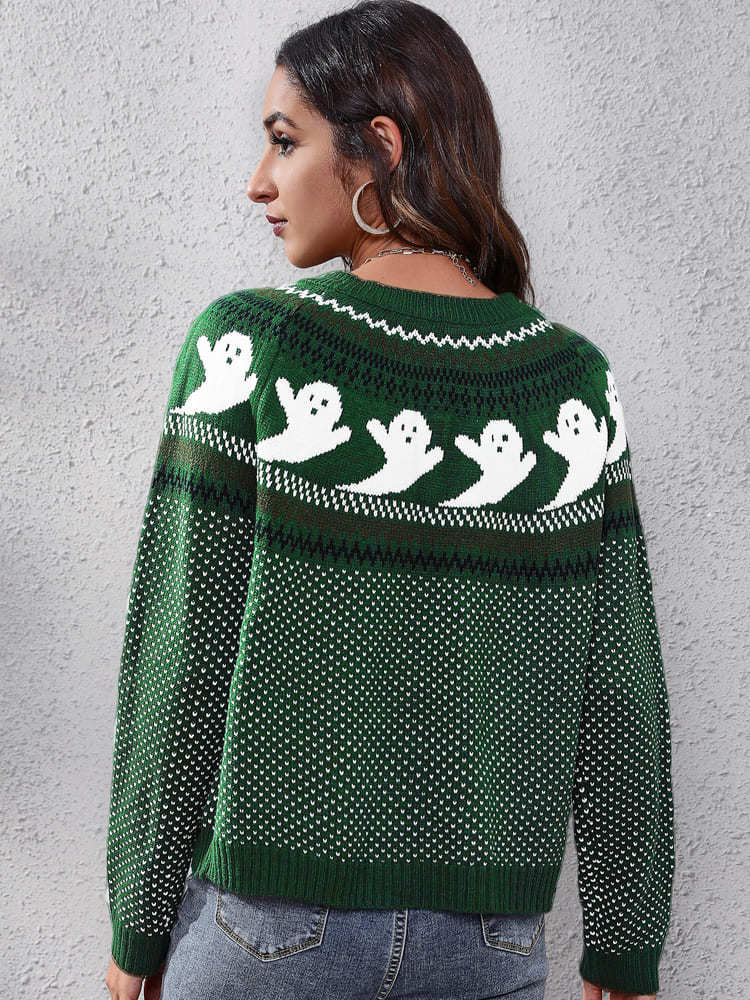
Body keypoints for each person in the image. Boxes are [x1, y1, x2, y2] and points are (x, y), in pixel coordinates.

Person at [104, 2, 675, 999]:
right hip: (489, 947)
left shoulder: (251, 347)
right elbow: (618, 687)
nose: (259, 181)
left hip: (268, 933)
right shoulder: (571, 381)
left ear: (380, 146)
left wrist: (140, 920)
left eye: (285, 141)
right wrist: (627, 938)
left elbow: (181, 657)